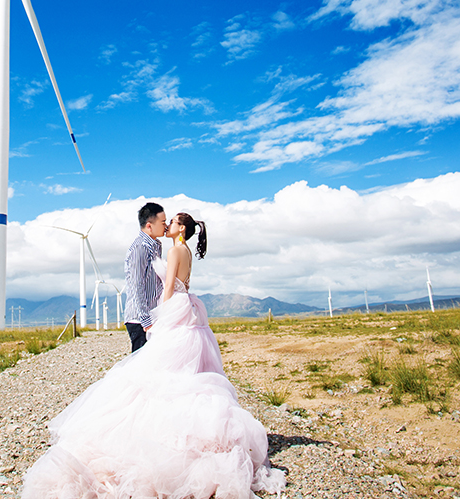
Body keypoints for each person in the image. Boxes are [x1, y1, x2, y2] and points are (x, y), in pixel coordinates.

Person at [21, 212, 286, 499]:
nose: (168, 225)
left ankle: (161, 437)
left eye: (172, 222)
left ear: (181, 228)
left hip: (176, 310)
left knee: (159, 377)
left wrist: (160, 317)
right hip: (191, 310)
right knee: (187, 375)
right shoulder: (186, 251)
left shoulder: (174, 250)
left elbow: (169, 287)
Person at [122, 202, 166, 352]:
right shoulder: (140, 248)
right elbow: (137, 285)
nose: (166, 225)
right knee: (140, 367)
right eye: (163, 222)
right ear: (149, 225)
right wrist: (145, 320)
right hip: (140, 320)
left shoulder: (156, 245)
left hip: (154, 315)